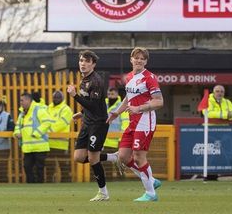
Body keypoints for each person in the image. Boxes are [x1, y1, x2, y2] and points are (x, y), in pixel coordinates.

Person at [105, 47, 164, 202]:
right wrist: (117, 112)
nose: (139, 61)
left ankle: (151, 193)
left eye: (142, 59)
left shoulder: (149, 77)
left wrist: (139, 108)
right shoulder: (130, 76)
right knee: (123, 157)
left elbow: (159, 101)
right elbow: (128, 98)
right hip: (132, 123)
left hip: (145, 122)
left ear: (146, 61)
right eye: (136, 58)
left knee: (139, 157)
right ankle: (151, 181)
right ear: (131, 59)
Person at [67, 50, 110, 201]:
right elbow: (90, 104)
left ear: (93, 64)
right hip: (88, 121)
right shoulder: (84, 79)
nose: (83, 64)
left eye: (86, 61)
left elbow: (95, 105)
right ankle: (113, 157)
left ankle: (103, 192)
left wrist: (74, 96)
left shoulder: (96, 81)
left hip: (98, 123)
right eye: (81, 61)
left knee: (93, 159)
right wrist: (81, 113)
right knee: (79, 157)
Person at [14, 93, 53, 183]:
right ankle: (31, 184)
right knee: (27, 166)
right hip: (28, 147)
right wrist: (17, 133)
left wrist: (36, 133)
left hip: (40, 146)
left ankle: (40, 184)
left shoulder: (38, 109)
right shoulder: (22, 113)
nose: (21, 102)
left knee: (40, 168)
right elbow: (17, 126)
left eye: (22, 100)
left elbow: (47, 122)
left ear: (28, 100)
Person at [46, 90, 73, 182]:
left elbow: (62, 123)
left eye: (58, 97)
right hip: (49, 143)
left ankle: (66, 182)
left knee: (64, 165)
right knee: (49, 165)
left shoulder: (66, 109)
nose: (56, 99)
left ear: (62, 98)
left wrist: (49, 131)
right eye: (54, 97)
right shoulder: (48, 108)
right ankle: (50, 182)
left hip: (61, 144)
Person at [104, 86, 129, 154]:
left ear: (117, 94)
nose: (110, 96)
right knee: (102, 162)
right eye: (109, 94)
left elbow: (125, 123)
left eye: (112, 94)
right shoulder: (103, 105)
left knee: (115, 162)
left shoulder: (121, 106)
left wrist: (121, 139)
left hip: (115, 142)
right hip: (102, 141)